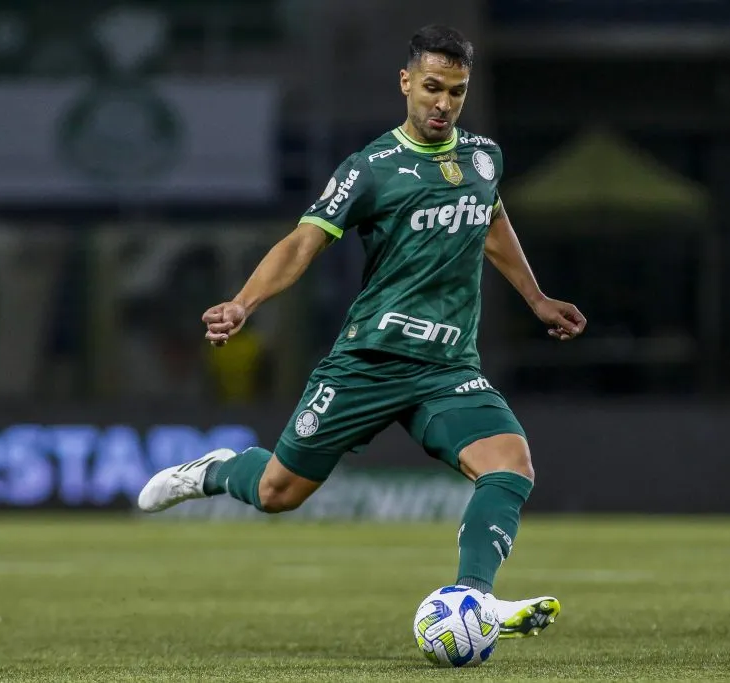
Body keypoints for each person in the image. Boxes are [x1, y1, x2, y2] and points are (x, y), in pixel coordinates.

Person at [138, 24, 586, 639]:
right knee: (277, 493)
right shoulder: (371, 168)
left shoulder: (484, 157)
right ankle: (217, 470)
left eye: (456, 92)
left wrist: (535, 298)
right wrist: (244, 303)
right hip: (370, 360)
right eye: (432, 87)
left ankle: (471, 598)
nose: (443, 104)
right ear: (405, 82)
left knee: (510, 466)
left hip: (448, 368)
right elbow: (304, 243)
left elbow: (490, 222)